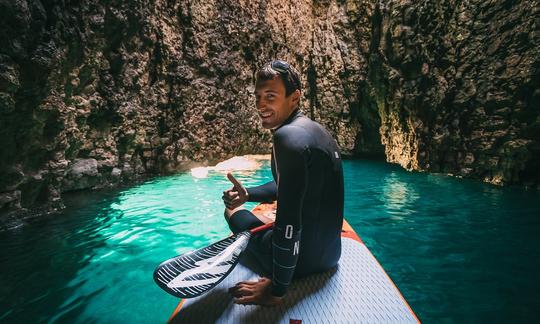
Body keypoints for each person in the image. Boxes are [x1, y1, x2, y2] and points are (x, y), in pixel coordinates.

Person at [222, 60, 344, 306]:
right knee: (250, 210)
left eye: (270, 96)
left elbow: (288, 225)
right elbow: (288, 185)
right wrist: (248, 193)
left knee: (232, 211)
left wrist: (277, 289)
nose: (260, 105)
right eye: (258, 96)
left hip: (300, 264)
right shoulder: (317, 131)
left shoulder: (285, 136)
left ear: (294, 97)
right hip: (331, 256)